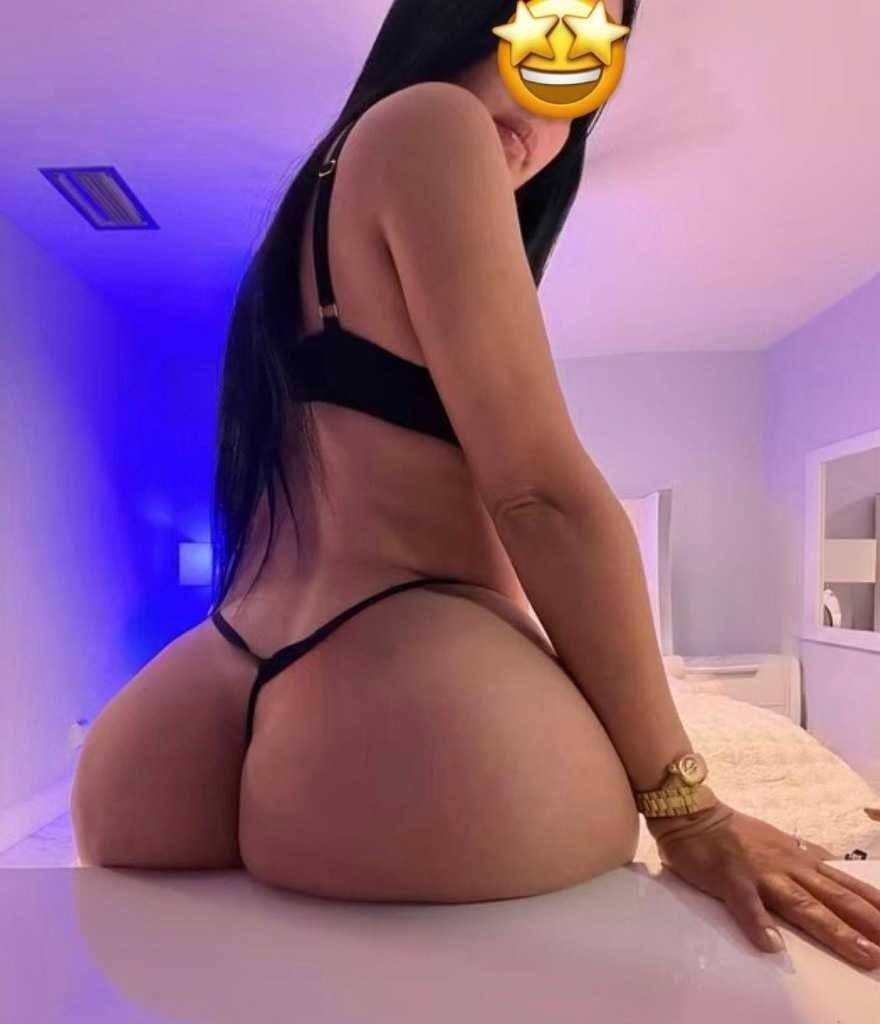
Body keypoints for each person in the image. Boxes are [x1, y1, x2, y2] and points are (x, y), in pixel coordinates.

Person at [71, 0, 880, 972]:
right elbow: (539, 494)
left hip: (191, 701)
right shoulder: (433, 121)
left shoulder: (305, 228)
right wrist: (687, 806)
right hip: (410, 689)